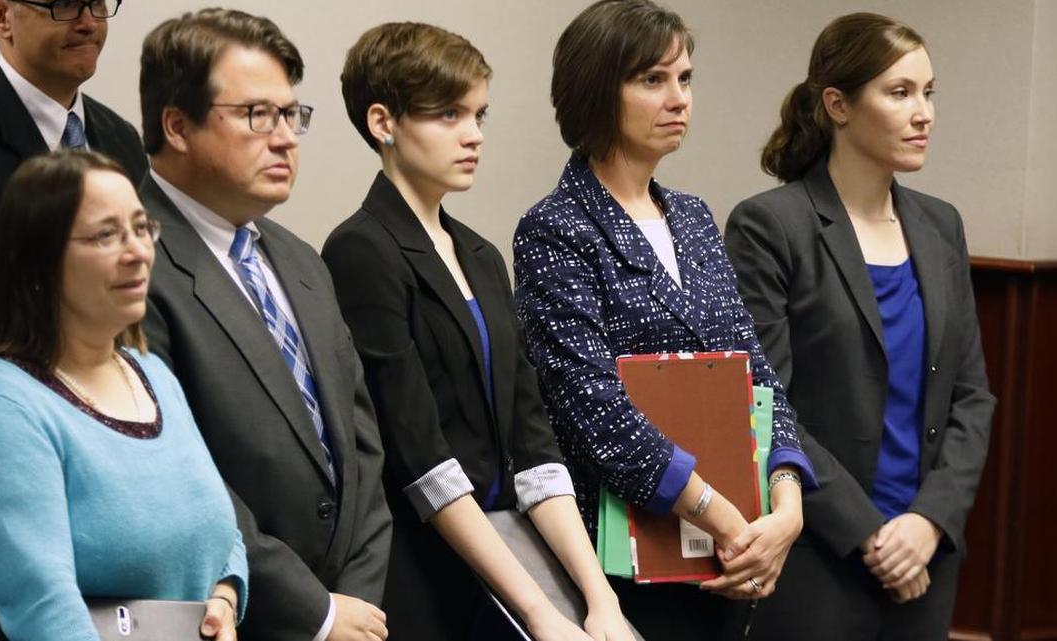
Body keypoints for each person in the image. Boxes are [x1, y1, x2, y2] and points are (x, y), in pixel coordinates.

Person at [512, 1, 816, 638]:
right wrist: (727, 519)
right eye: (653, 79)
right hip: (631, 562)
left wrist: (786, 501)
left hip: (729, 555)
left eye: (686, 78)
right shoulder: (556, 228)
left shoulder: (694, 216)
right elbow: (595, 411)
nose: (679, 98)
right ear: (597, 91)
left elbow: (754, 373)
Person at [323, 22, 636, 641]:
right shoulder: (361, 250)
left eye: (479, 115)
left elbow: (532, 439)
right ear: (383, 122)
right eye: (448, 115)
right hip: (427, 573)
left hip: (515, 549)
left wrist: (599, 600)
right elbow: (420, 459)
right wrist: (540, 612)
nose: (473, 135)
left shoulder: (482, 254)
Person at [723, 13, 995, 640]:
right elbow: (764, 404)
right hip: (821, 554)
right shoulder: (772, 225)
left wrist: (930, 521)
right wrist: (868, 533)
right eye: (899, 93)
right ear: (837, 105)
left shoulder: (941, 225)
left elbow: (971, 397)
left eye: (928, 93)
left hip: (926, 555)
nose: (923, 112)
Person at [138, 9, 391, 641]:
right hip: (227, 615)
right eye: (257, 115)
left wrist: (351, 604)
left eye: (291, 114)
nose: (285, 138)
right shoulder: (129, 261)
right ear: (177, 126)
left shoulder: (300, 258)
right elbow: (178, 475)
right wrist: (318, 614)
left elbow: (363, 449)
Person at [0, 150, 247, 641]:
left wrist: (223, 597)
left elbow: (222, 531)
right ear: (39, 262)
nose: (137, 251)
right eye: (106, 235)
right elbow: (43, 612)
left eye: (141, 228)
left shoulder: (151, 374)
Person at [0, 0, 147, 584]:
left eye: (99, 4)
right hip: (17, 446)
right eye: (65, 3)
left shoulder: (119, 138)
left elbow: (135, 321)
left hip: (123, 452)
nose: (88, 21)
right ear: (1, 15)